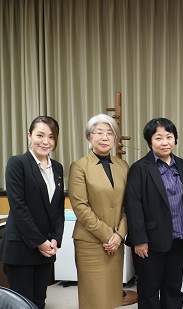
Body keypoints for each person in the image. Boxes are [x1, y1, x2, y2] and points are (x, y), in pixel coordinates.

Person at [0, 116, 64, 309]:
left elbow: (58, 208)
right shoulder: (17, 163)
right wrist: (40, 242)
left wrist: (55, 239)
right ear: (29, 136)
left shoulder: (58, 168)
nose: (45, 142)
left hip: (46, 248)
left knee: (39, 301)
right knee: (22, 304)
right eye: (40, 135)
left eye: (51, 137)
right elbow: (19, 208)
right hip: (22, 246)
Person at [125, 118, 183, 309]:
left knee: (173, 288)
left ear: (175, 139)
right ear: (150, 141)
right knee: (149, 291)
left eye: (169, 137)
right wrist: (139, 239)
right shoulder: (140, 168)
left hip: (178, 239)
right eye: (158, 137)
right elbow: (133, 205)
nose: (165, 142)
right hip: (150, 242)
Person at [68, 114, 129, 309]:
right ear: (89, 137)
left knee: (112, 297)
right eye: (99, 133)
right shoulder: (79, 166)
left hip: (116, 242)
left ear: (115, 139)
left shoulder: (123, 166)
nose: (104, 137)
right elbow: (80, 207)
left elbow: (130, 205)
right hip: (91, 242)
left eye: (110, 133)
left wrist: (119, 235)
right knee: (93, 298)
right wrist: (107, 235)